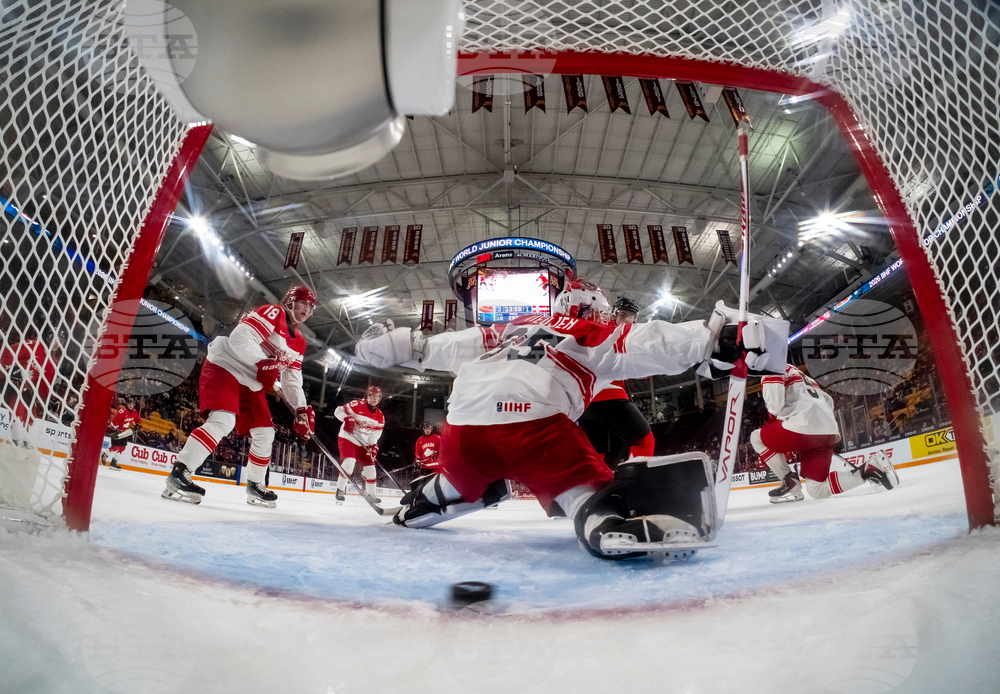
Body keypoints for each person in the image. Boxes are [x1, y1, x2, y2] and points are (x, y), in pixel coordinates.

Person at [355, 279, 783, 559]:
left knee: (463, 474)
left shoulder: (513, 326)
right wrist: (710, 339)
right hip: (532, 429)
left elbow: (443, 349)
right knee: (585, 491)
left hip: (462, 431)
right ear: (593, 311)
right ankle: (602, 522)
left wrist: (404, 345)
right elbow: (643, 343)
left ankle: (432, 496)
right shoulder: (587, 333)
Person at [161, 285, 316, 507]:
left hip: (251, 380)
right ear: (290, 300)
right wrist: (265, 364)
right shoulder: (273, 313)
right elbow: (239, 338)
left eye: (311, 306)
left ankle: (255, 485)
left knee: (265, 433)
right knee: (223, 420)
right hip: (227, 364)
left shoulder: (299, 342)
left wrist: (301, 410)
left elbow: (292, 379)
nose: (308, 309)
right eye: (304, 303)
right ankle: (180, 471)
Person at [750, 363, 898, 503]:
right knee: (817, 489)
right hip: (829, 429)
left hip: (803, 427)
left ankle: (790, 481)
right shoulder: (802, 375)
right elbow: (829, 403)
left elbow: (774, 407)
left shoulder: (771, 368)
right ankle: (867, 470)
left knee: (756, 438)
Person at [577, 296, 656, 468]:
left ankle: (594, 491)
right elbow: (638, 366)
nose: (628, 320)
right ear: (612, 315)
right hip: (609, 397)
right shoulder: (620, 334)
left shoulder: (591, 330)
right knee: (644, 442)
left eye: (632, 317)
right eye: (623, 315)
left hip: (585, 403)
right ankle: (635, 487)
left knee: (596, 455)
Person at [333, 385, 385, 504]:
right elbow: (338, 411)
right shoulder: (356, 405)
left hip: (363, 443)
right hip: (348, 438)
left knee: (371, 468)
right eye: (372, 396)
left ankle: (371, 494)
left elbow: (374, 436)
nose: (374, 399)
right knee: (349, 462)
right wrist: (347, 418)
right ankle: (340, 490)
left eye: (377, 397)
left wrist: (373, 446)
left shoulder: (380, 417)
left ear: (380, 398)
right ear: (367, 396)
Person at [103, 398, 141, 471]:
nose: (131, 405)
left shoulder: (135, 412)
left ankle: (113, 463)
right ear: (127, 404)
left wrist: (138, 424)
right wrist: (116, 428)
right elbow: (115, 420)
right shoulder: (122, 411)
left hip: (124, 432)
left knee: (122, 448)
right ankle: (105, 455)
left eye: (132, 404)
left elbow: (137, 420)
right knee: (115, 448)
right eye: (130, 403)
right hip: (116, 431)